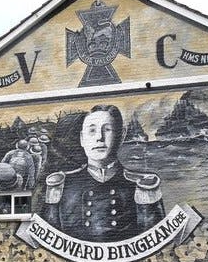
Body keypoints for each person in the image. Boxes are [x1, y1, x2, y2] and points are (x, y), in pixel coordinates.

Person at [42, 104, 165, 242]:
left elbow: (155, 243)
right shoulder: (61, 185)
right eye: (92, 131)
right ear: (82, 138)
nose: (99, 138)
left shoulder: (140, 186)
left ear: (121, 135)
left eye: (107, 129)